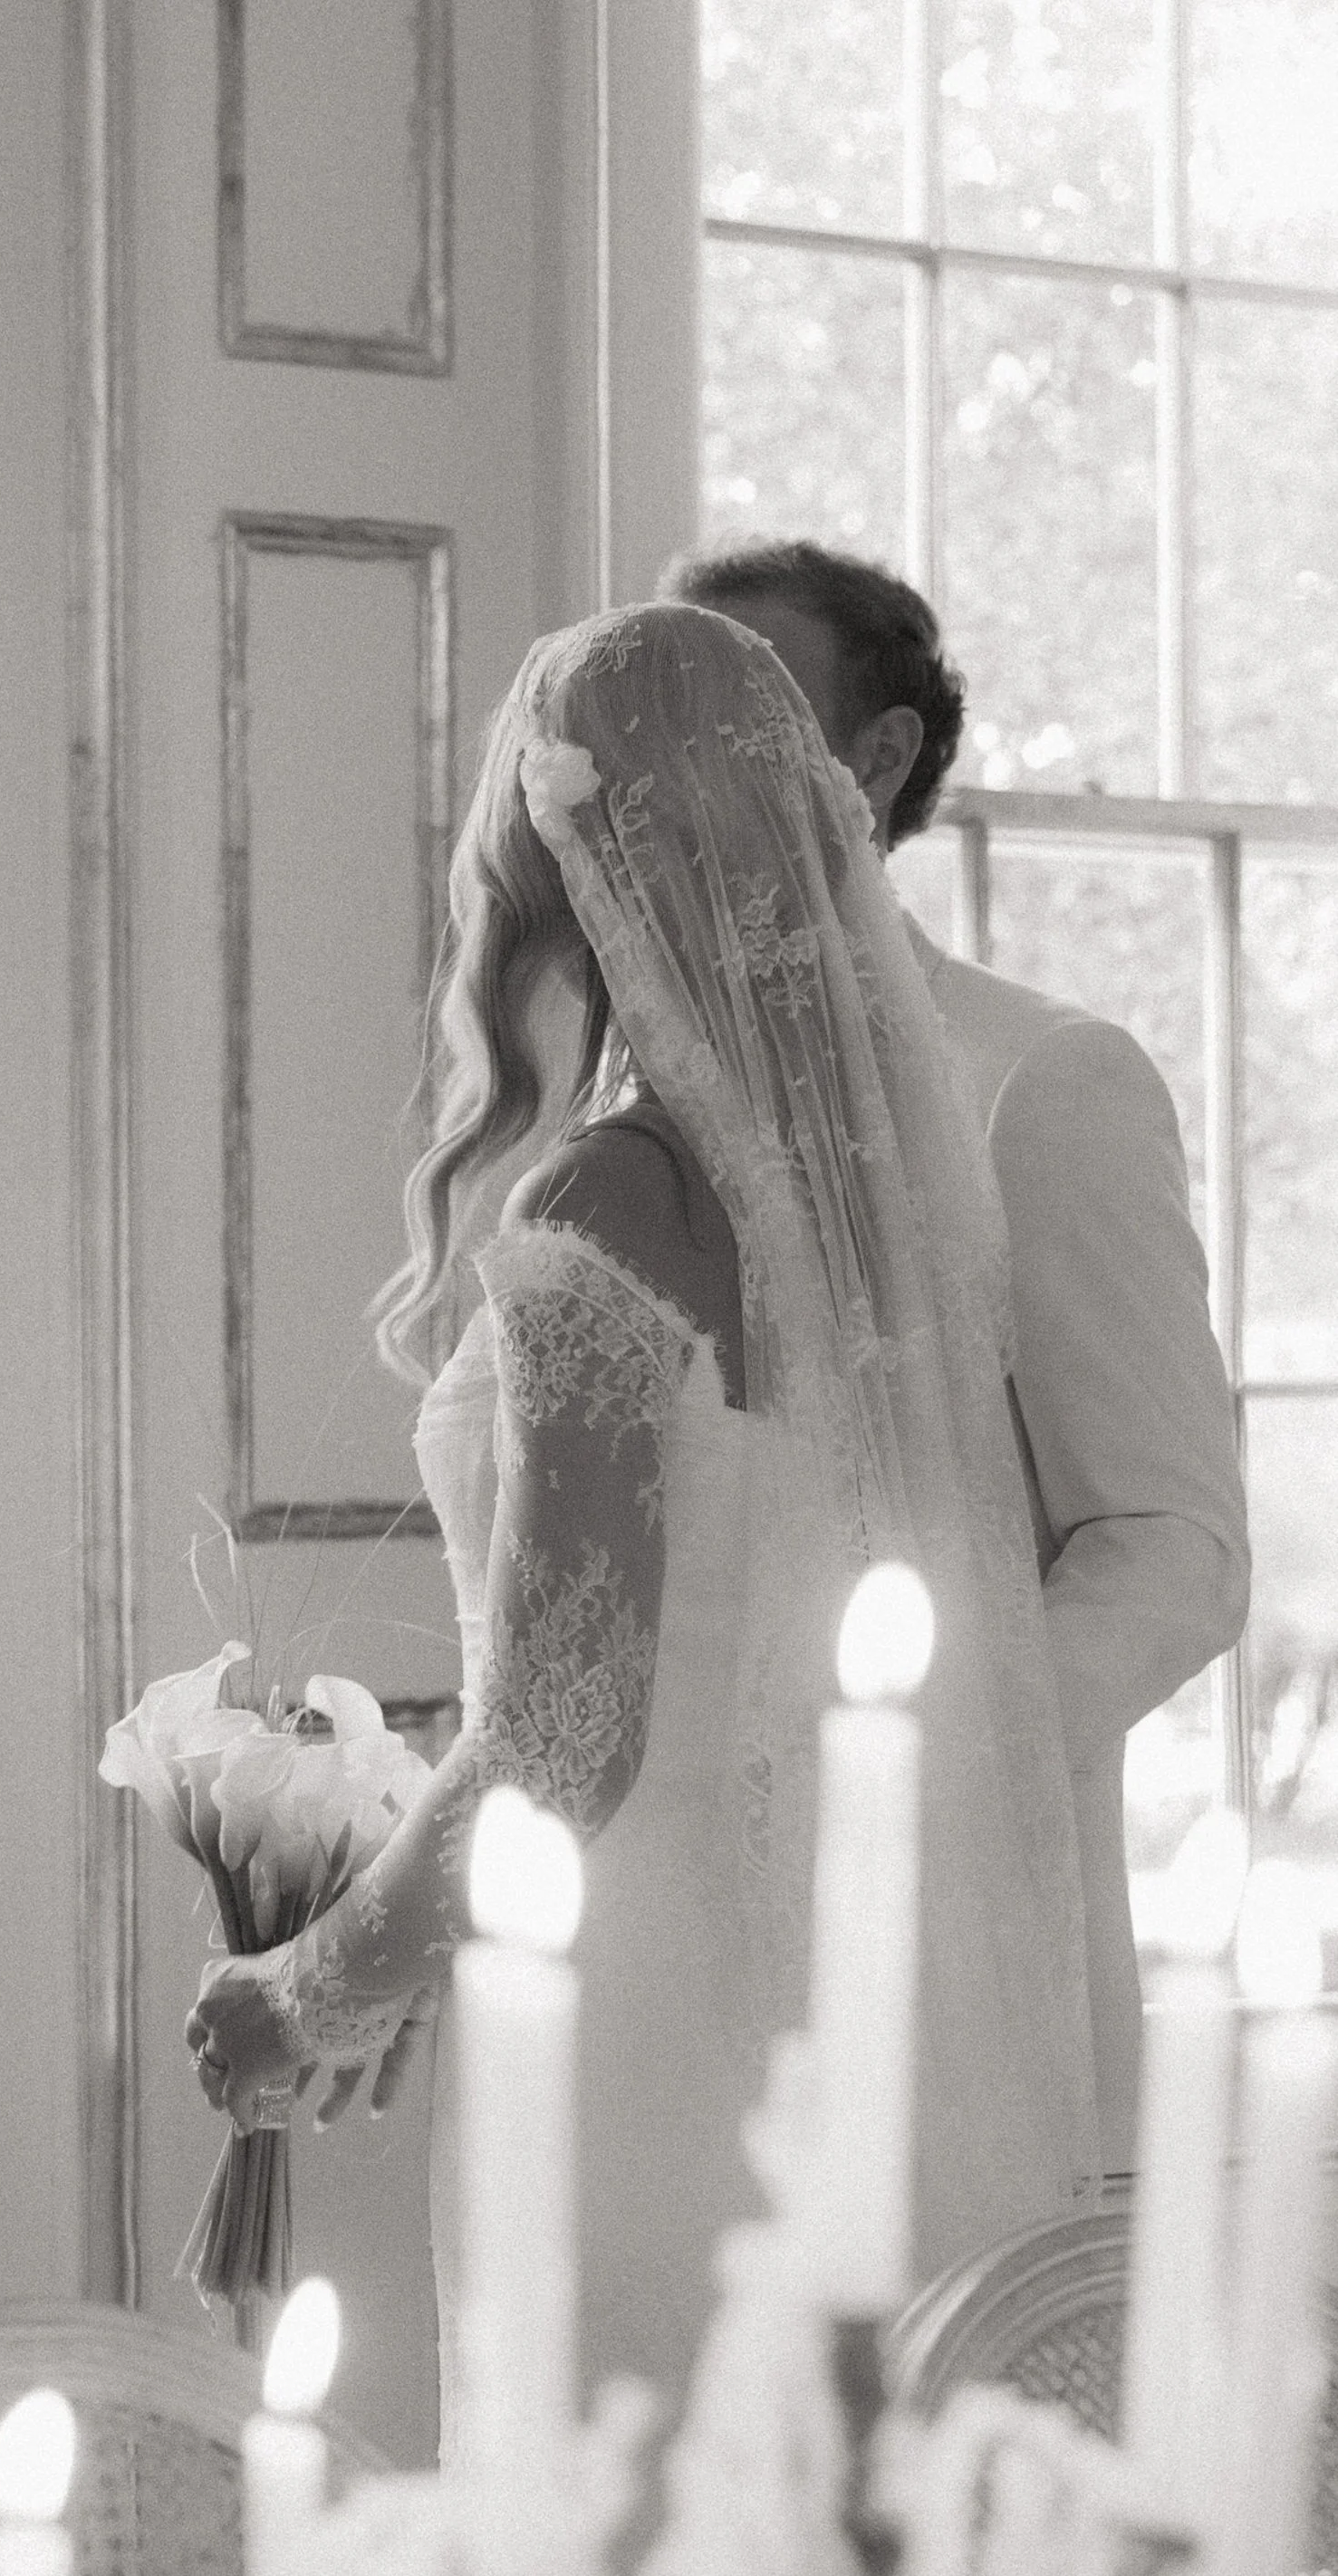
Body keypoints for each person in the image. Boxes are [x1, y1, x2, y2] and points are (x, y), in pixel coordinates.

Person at [187, 601, 1102, 2429]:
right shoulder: (888, 1225)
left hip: (640, 2022)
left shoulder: (602, 1212)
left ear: (561, 878)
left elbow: (563, 1739)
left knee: (623, 2567)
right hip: (867, 1994)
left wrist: (302, 1986)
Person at [663, 536, 1250, 2162]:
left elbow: (1176, 1548)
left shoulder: (1041, 1083)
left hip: (953, 1967)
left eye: (736, 705)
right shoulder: (600, 1092)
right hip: (653, 1968)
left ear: (876, 757)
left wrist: (911, 1785)